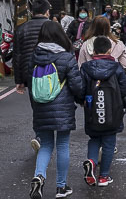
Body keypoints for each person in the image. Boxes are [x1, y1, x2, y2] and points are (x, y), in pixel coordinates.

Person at [29, 21, 85, 199]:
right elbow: (76, 85)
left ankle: (39, 176)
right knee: (62, 145)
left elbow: (31, 83)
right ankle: (61, 187)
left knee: (45, 145)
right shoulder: (66, 57)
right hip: (63, 108)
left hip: (40, 107)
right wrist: (81, 99)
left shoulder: (34, 56)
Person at [80, 36, 126, 188]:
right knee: (108, 142)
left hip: (92, 110)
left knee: (94, 139)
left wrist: (82, 101)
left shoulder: (86, 68)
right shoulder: (116, 67)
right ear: (109, 50)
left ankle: (92, 163)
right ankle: (104, 177)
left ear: (93, 51)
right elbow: (125, 88)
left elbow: (80, 89)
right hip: (113, 111)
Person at [15, 0, 56, 153]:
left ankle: (40, 136)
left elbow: (17, 56)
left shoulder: (22, 28)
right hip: (51, 72)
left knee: (36, 106)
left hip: (30, 73)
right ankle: (48, 136)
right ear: (46, 12)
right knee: (51, 103)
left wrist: (19, 80)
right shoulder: (52, 26)